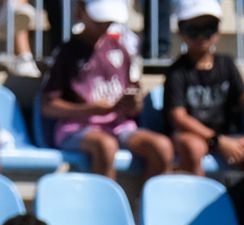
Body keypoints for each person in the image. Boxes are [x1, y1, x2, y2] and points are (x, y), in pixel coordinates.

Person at [38, 0, 171, 180]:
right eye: (99, 19)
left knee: (162, 147)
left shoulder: (121, 49)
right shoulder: (65, 53)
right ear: (80, 11)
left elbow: (135, 103)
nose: (104, 25)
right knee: (105, 146)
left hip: (120, 126)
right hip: (76, 128)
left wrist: (132, 104)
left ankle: (144, 203)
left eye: (108, 20)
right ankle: (107, 204)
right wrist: (91, 109)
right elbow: (48, 106)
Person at [163, 0, 244, 179]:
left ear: (218, 30)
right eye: (193, 29)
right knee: (193, 147)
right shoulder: (177, 72)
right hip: (194, 136)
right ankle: (197, 202)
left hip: (226, 135)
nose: (201, 36)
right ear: (181, 32)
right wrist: (217, 140)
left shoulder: (226, 64)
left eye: (209, 28)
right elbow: (179, 118)